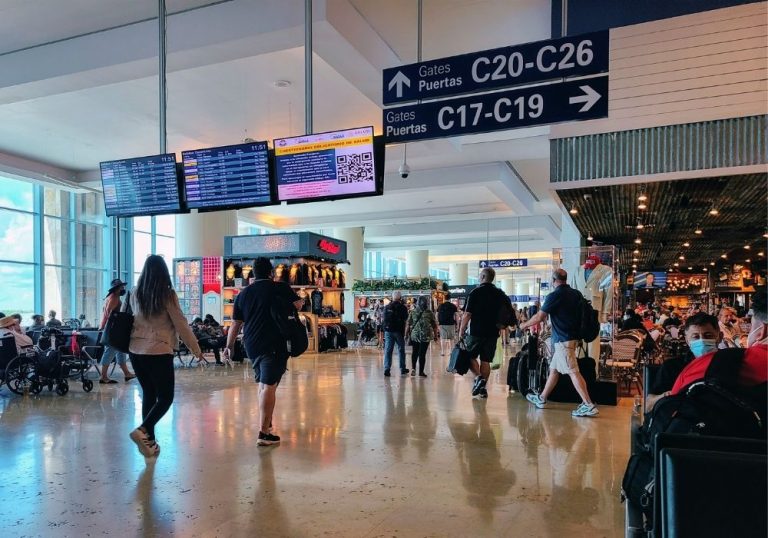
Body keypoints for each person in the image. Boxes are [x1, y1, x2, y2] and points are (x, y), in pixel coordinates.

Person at [128, 255, 204, 458]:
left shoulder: (135, 293)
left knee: (149, 395)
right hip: (158, 351)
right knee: (166, 397)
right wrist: (196, 350)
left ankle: (149, 443)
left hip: (136, 351)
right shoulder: (167, 295)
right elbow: (181, 323)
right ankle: (143, 430)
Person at [223, 257, 302, 446]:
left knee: (264, 383)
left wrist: (229, 345)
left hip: (251, 344)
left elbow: (236, 323)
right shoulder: (280, 287)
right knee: (269, 384)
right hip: (274, 342)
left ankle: (266, 422)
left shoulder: (243, 294)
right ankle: (264, 432)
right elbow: (298, 304)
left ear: (253, 274)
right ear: (271, 272)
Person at [521, 269, 598, 417]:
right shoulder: (576, 294)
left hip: (563, 340)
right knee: (554, 370)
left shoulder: (554, 295)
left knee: (573, 371)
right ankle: (542, 398)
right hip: (572, 338)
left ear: (553, 280)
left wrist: (524, 325)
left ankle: (588, 404)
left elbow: (539, 317)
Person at [668, 288, 768, 396]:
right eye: (696, 336)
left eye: (752, 325)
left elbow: (671, 405)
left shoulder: (715, 363)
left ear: (761, 331)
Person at [644, 312, 720, 412]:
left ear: (719, 337)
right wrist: (667, 395)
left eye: (708, 335)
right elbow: (648, 406)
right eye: (695, 337)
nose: (702, 341)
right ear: (687, 340)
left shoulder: (729, 364)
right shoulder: (672, 367)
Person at [458, 267, 511, 399]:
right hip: (493, 332)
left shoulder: (475, 292)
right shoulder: (500, 294)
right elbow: (507, 313)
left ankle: (479, 378)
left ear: (482, 277)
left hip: (476, 331)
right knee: (486, 360)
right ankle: (482, 388)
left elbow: (467, 314)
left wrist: (461, 330)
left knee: (469, 356)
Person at [98, 279, 136, 384]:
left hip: (112, 328)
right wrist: (104, 326)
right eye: (121, 287)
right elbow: (108, 314)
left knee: (120, 350)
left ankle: (127, 373)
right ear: (117, 288)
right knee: (110, 351)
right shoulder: (114, 298)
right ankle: (103, 376)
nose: (123, 289)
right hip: (112, 329)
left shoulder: (110, 297)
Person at [405, 296, 439, 377]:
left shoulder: (412, 312)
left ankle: (413, 368)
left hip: (415, 335)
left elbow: (408, 324)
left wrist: (406, 334)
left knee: (415, 352)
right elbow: (434, 325)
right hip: (425, 336)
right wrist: (435, 335)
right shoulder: (429, 312)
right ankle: (421, 372)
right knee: (422, 354)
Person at [383, 291, 410, 377]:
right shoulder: (403, 307)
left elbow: (384, 318)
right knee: (401, 349)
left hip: (388, 331)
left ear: (392, 297)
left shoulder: (387, 307)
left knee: (388, 350)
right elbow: (406, 320)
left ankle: (387, 368)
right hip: (398, 331)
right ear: (400, 297)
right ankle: (402, 368)